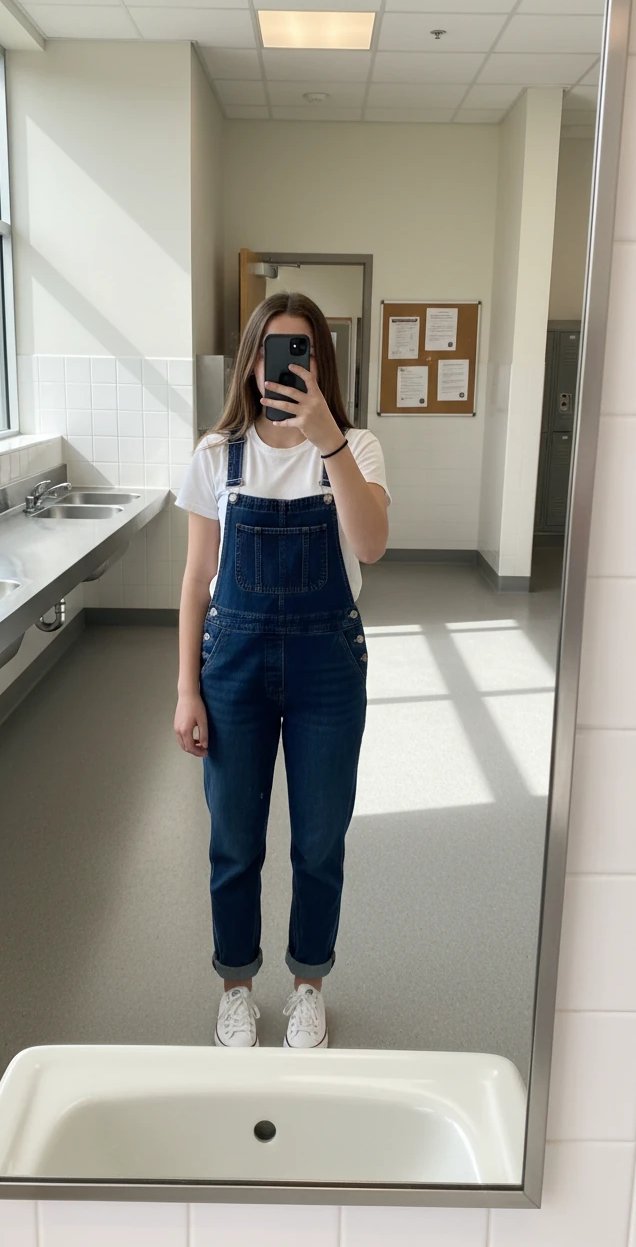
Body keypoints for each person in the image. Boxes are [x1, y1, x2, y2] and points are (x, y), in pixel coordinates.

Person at [174, 292, 390, 1049]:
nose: (286, 367)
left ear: (320, 362)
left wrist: (325, 437)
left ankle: (308, 985)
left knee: (320, 840)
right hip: (230, 666)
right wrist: (185, 690)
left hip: (328, 667)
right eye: (275, 350)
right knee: (234, 840)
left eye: (302, 351)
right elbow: (197, 576)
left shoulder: (356, 448)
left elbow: (370, 548)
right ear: (252, 361)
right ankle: (236, 986)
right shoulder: (215, 454)